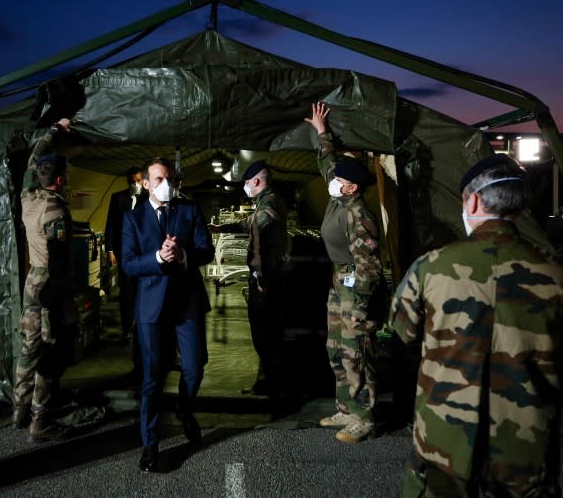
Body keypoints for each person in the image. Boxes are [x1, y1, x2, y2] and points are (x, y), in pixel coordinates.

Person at [389, 153, 563, 497]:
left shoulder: (431, 267)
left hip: (444, 441)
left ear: (475, 201)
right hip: (525, 443)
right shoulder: (555, 273)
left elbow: (402, 330)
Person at [122, 157, 215, 472]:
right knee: (151, 378)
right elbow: (129, 263)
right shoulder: (132, 219)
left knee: (194, 367)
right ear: (146, 183)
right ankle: (150, 444)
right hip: (152, 307)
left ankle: (186, 411)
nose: (167, 185)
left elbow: (207, 249)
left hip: (187, 303)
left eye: (171, 179)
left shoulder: (189, 211)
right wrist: (158, 257)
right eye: (159, 179)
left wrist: (185, 254)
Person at [305, 102, 383, 443]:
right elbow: (328, 162)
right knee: (335, 348)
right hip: (340, 281)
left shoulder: (358, 215)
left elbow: (369, 267)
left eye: (340, 180)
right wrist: (322, 132)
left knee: (356, 351)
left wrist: (358, 310)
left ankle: (365, 418)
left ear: (352, 187)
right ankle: (346, 408)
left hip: (355, 286)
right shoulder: (339, 199)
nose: (333, 181)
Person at [12, 119, 78, 440]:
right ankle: (41, 420)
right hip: (51, 285)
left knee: (28, 347)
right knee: (50, 353)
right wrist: (66, 305)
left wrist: (54, 131)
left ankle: (19, 409)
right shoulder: (56, 212)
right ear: (61, 179)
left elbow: (33, 158)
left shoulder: (28, 197)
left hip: (31, 283)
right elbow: (60, 262)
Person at [208, 160, 289, 402]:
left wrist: (260, 278)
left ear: (256, 181)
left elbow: (257, 230)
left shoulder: (270, 201)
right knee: (263, 333)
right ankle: (267, 382)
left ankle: (273, 385)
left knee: (266, 334)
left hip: (268, 279)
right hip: (265, 277)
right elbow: (247, 223)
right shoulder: (264, 202)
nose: (245, 187)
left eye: (246, 183)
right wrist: (221, 227)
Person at [104, 166, 146, 356]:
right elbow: (111, 224)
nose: (135, 185)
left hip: (144, 253)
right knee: (126, 292)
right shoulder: (117, 197)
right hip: (124, 253)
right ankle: (126, 328)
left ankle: (142, 326)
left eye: (138, 181)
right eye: (132, 181)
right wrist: (110, 249)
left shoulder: (149, 198)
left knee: (144, 290)